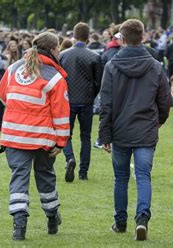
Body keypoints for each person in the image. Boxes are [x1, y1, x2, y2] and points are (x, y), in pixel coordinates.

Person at [99, 19, 171, 241]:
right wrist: (159, 120)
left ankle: (121, 221)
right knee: (142, 176)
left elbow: (106, 104)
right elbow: (165, 100)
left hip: (121, 129)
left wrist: (105, 135)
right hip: (144, 129)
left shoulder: (112, 66)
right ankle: (141, 219)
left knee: (121, 178)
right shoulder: (156, 66)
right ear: (143, 37)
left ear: (122, 38)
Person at [0, 32, 70, 241]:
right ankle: (52, 217)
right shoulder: (54, 77)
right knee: (45, 176)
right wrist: (61, 141)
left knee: (19, 178)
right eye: (58, 49)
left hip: (14, 135)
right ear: (53, 50)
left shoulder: (14, 68)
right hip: (41, 138)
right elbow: (61, 113)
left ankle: (19, 226)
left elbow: (3, 94)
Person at [60, 22, 103, 182]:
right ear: (88, 36)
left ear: (74, 35)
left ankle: (69, 158)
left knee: (66, 134)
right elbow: (98, 81)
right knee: (86, 137)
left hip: (68, 100)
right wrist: (91, 95)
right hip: (86, 100)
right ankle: (83, 172)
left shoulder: (64, 55)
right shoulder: (94, 56)